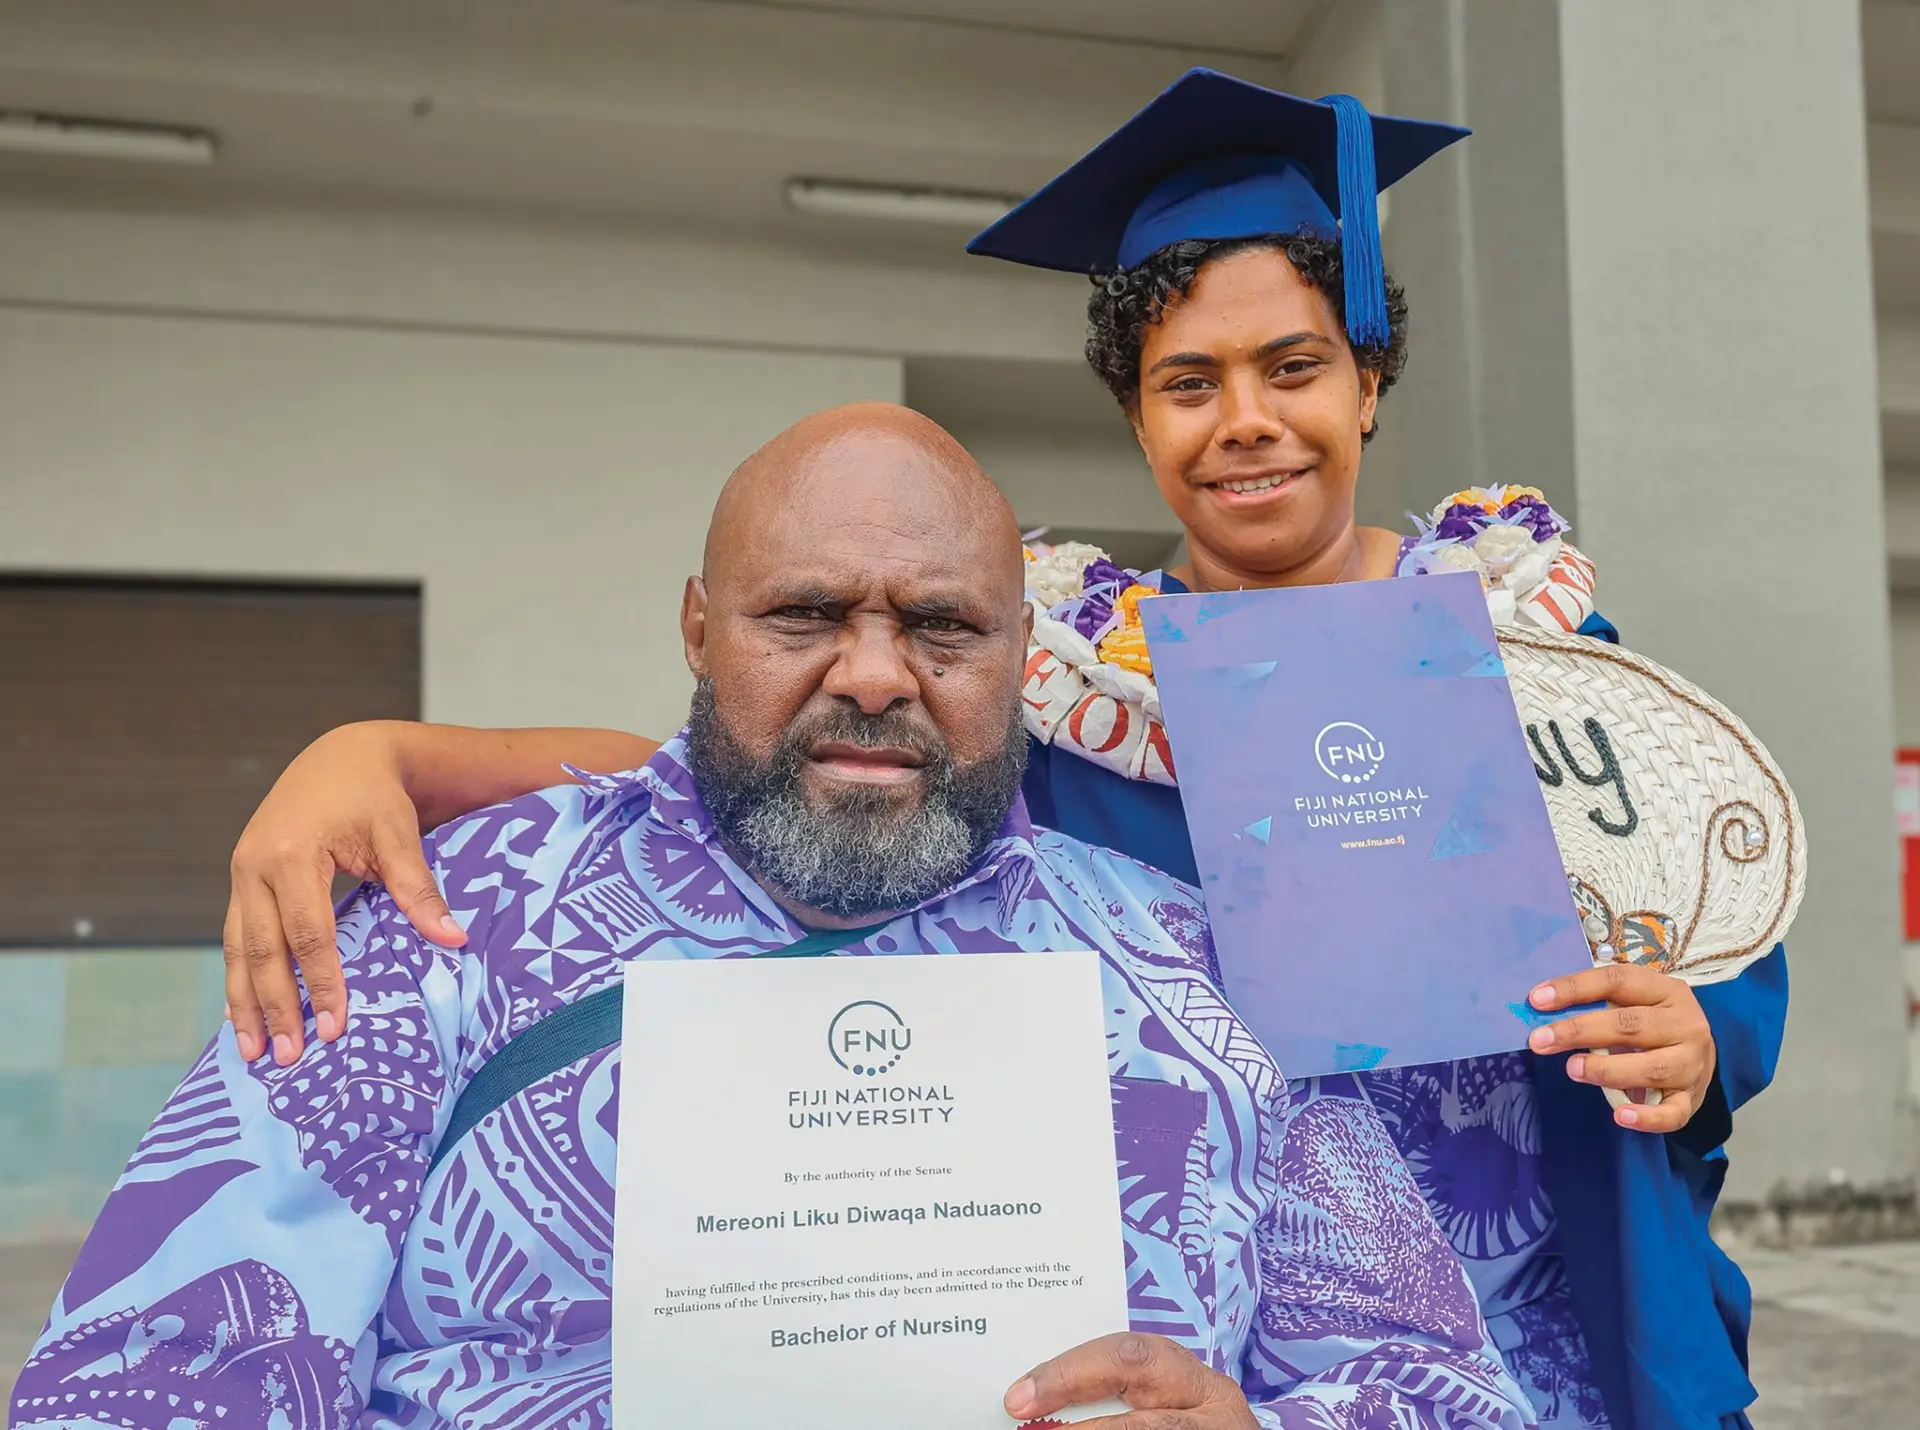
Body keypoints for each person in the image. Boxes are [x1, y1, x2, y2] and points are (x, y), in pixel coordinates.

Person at [212, 74, 1785, 1430]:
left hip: (1554, 1291)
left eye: (1294, 367)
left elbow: (1708, 906)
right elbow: (737, 781)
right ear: (1134, 415)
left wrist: (1701, 1038)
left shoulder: (1530, 641)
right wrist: (393, 752)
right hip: (1241, 1317)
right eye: (1189, 382)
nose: (1247, 420)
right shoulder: (1070, 681)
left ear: (1369, 377)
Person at [14, 405, 1539, 1430]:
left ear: (1022, 653)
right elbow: (150, 1377)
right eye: (806, 614)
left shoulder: (1198, 959)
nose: (875, 671)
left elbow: (1442, 1383)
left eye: (940, 624)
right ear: (698, 624)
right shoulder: (439, 929)